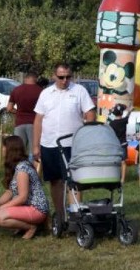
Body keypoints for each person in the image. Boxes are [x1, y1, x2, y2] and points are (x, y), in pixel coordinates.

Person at [32, 64, 95, 223]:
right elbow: (38, 120)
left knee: (74, 179)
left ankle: (76, 213)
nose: (65, 80)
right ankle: (60, 215)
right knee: (55, 180)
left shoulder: (79, 90)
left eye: (68, 76)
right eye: (61, 77)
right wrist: (35, 145)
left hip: (73, 144)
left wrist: (87, 134)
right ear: (54, 76)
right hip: (49, 144)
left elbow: (90, 113)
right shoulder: (45, 94)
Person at [0, 136, 49, 239]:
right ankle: (20, 225)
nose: (2, 149)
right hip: (25, 206)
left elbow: (22, 197)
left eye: (4, 147)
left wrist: (0, 208)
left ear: (10, 149)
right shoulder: (15, 165)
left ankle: (31, 227)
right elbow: (10, 192)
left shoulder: (22, 168)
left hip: (36, 208)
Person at [7, 71, 44, 160]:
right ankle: (32, 170)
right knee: (34, 150)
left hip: (19, 123)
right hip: (35, 124)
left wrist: (19, 112)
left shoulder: (16, 90)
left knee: (19, 150)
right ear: (35, 79)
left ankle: (19, 169)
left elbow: (9, 108)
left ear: (25, 79)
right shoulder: (41, 91)